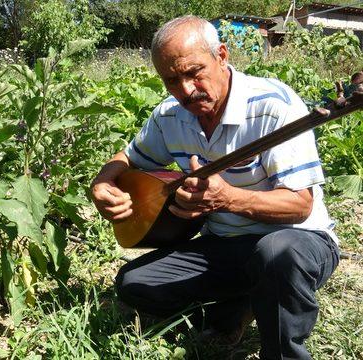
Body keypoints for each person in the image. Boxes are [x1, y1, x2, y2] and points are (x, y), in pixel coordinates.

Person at [90, 15, 340, 360]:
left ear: (221, 55)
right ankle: (239, 308)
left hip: (297, 240)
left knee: (276, 254)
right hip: (225, 245)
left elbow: (300, 206)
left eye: (194, 72)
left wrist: (226, 198)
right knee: (135, 284)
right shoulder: (169, 115)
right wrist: (103, 180)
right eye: (172, 80)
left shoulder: (273, 106)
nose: (186, 90)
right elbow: (130, 158)